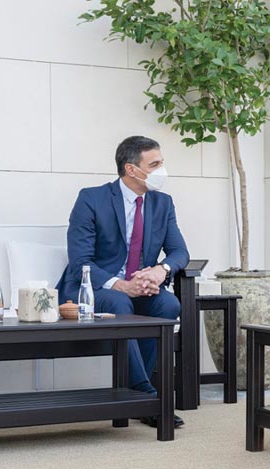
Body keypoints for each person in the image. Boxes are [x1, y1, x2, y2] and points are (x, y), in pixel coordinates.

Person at [57, 136, 189, 428]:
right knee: (119, 302)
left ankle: (134, 393)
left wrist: (160, 270)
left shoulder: (163, 203)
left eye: (161, 163)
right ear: (131, 169)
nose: (161, 171)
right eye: (154, 164)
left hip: (138, 288)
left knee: (168, 304)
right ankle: (146, 396)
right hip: (93, 290)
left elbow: (180, 252)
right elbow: (80, 262)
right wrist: (120, 285)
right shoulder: (92, 199)